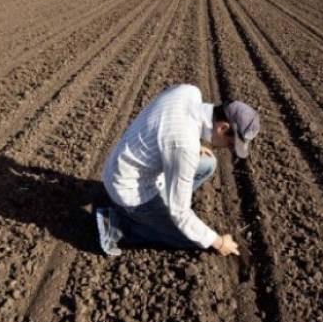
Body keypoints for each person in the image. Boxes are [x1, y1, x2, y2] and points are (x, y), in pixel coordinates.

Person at [96, 84, 260, 257]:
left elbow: (170, 126)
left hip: (121, 165)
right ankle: (117, 226)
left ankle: (163, 205)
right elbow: (179, 213)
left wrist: (193, 145)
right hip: (128, 190)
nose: (229, 149)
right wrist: (219, 242)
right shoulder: (183, 145)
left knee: (207, 163)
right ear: (223, 128)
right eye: (230, 144)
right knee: (193, 240)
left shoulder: (189, 91)